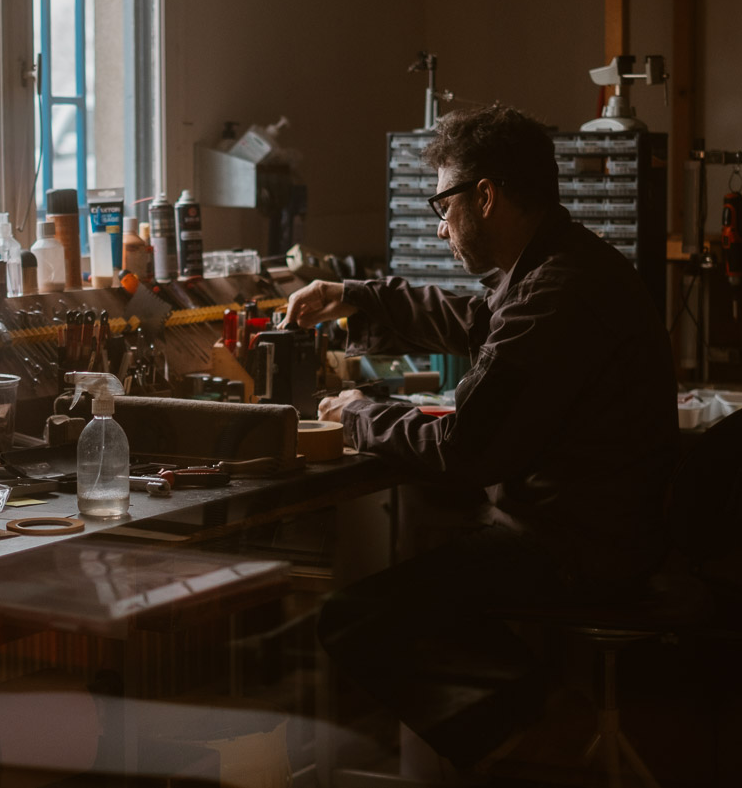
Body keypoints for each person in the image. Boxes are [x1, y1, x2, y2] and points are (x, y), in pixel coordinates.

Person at [285, 104, 677, 776]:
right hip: (602, 526)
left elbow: (466, 451)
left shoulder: (555, 294)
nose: (439, 225)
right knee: (428, 572)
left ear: (486, 196)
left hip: (577, 544)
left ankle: (537, 726)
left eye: (443, 204)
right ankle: (521, 723)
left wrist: (359, 412)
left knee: (354, 617)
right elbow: (475, 317)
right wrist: (356, 295)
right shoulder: (561, 263)